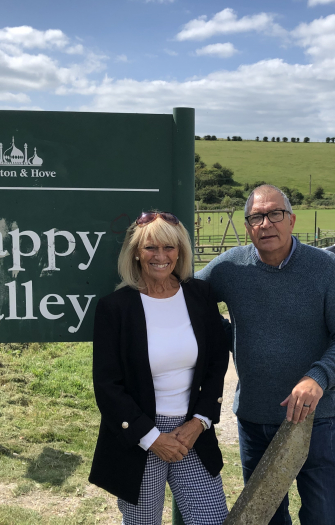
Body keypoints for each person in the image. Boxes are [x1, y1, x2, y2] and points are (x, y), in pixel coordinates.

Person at [197, 185, 335, 524]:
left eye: (275, 214)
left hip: (312, 419)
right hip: (254, 417)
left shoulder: (324, 267)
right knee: (266, 517)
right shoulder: (230, 268)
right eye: (256, 217)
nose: (266, 223)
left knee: (323, 515)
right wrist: (226, 332)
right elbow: (185, 295)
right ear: (247, 226)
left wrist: (318, 378)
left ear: (291, 220)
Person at [89, 211, 230, 525]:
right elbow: (107, 385)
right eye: (151, 248)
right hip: (140, 436)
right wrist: (151, 437)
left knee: (212, 518)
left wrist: (201, 420)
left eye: (169, 248)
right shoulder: (115, 308)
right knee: (142, 522)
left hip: (191, 432)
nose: (161, 256)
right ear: (137, 252)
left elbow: (217, 363)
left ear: (179, 252)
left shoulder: (200, 296)